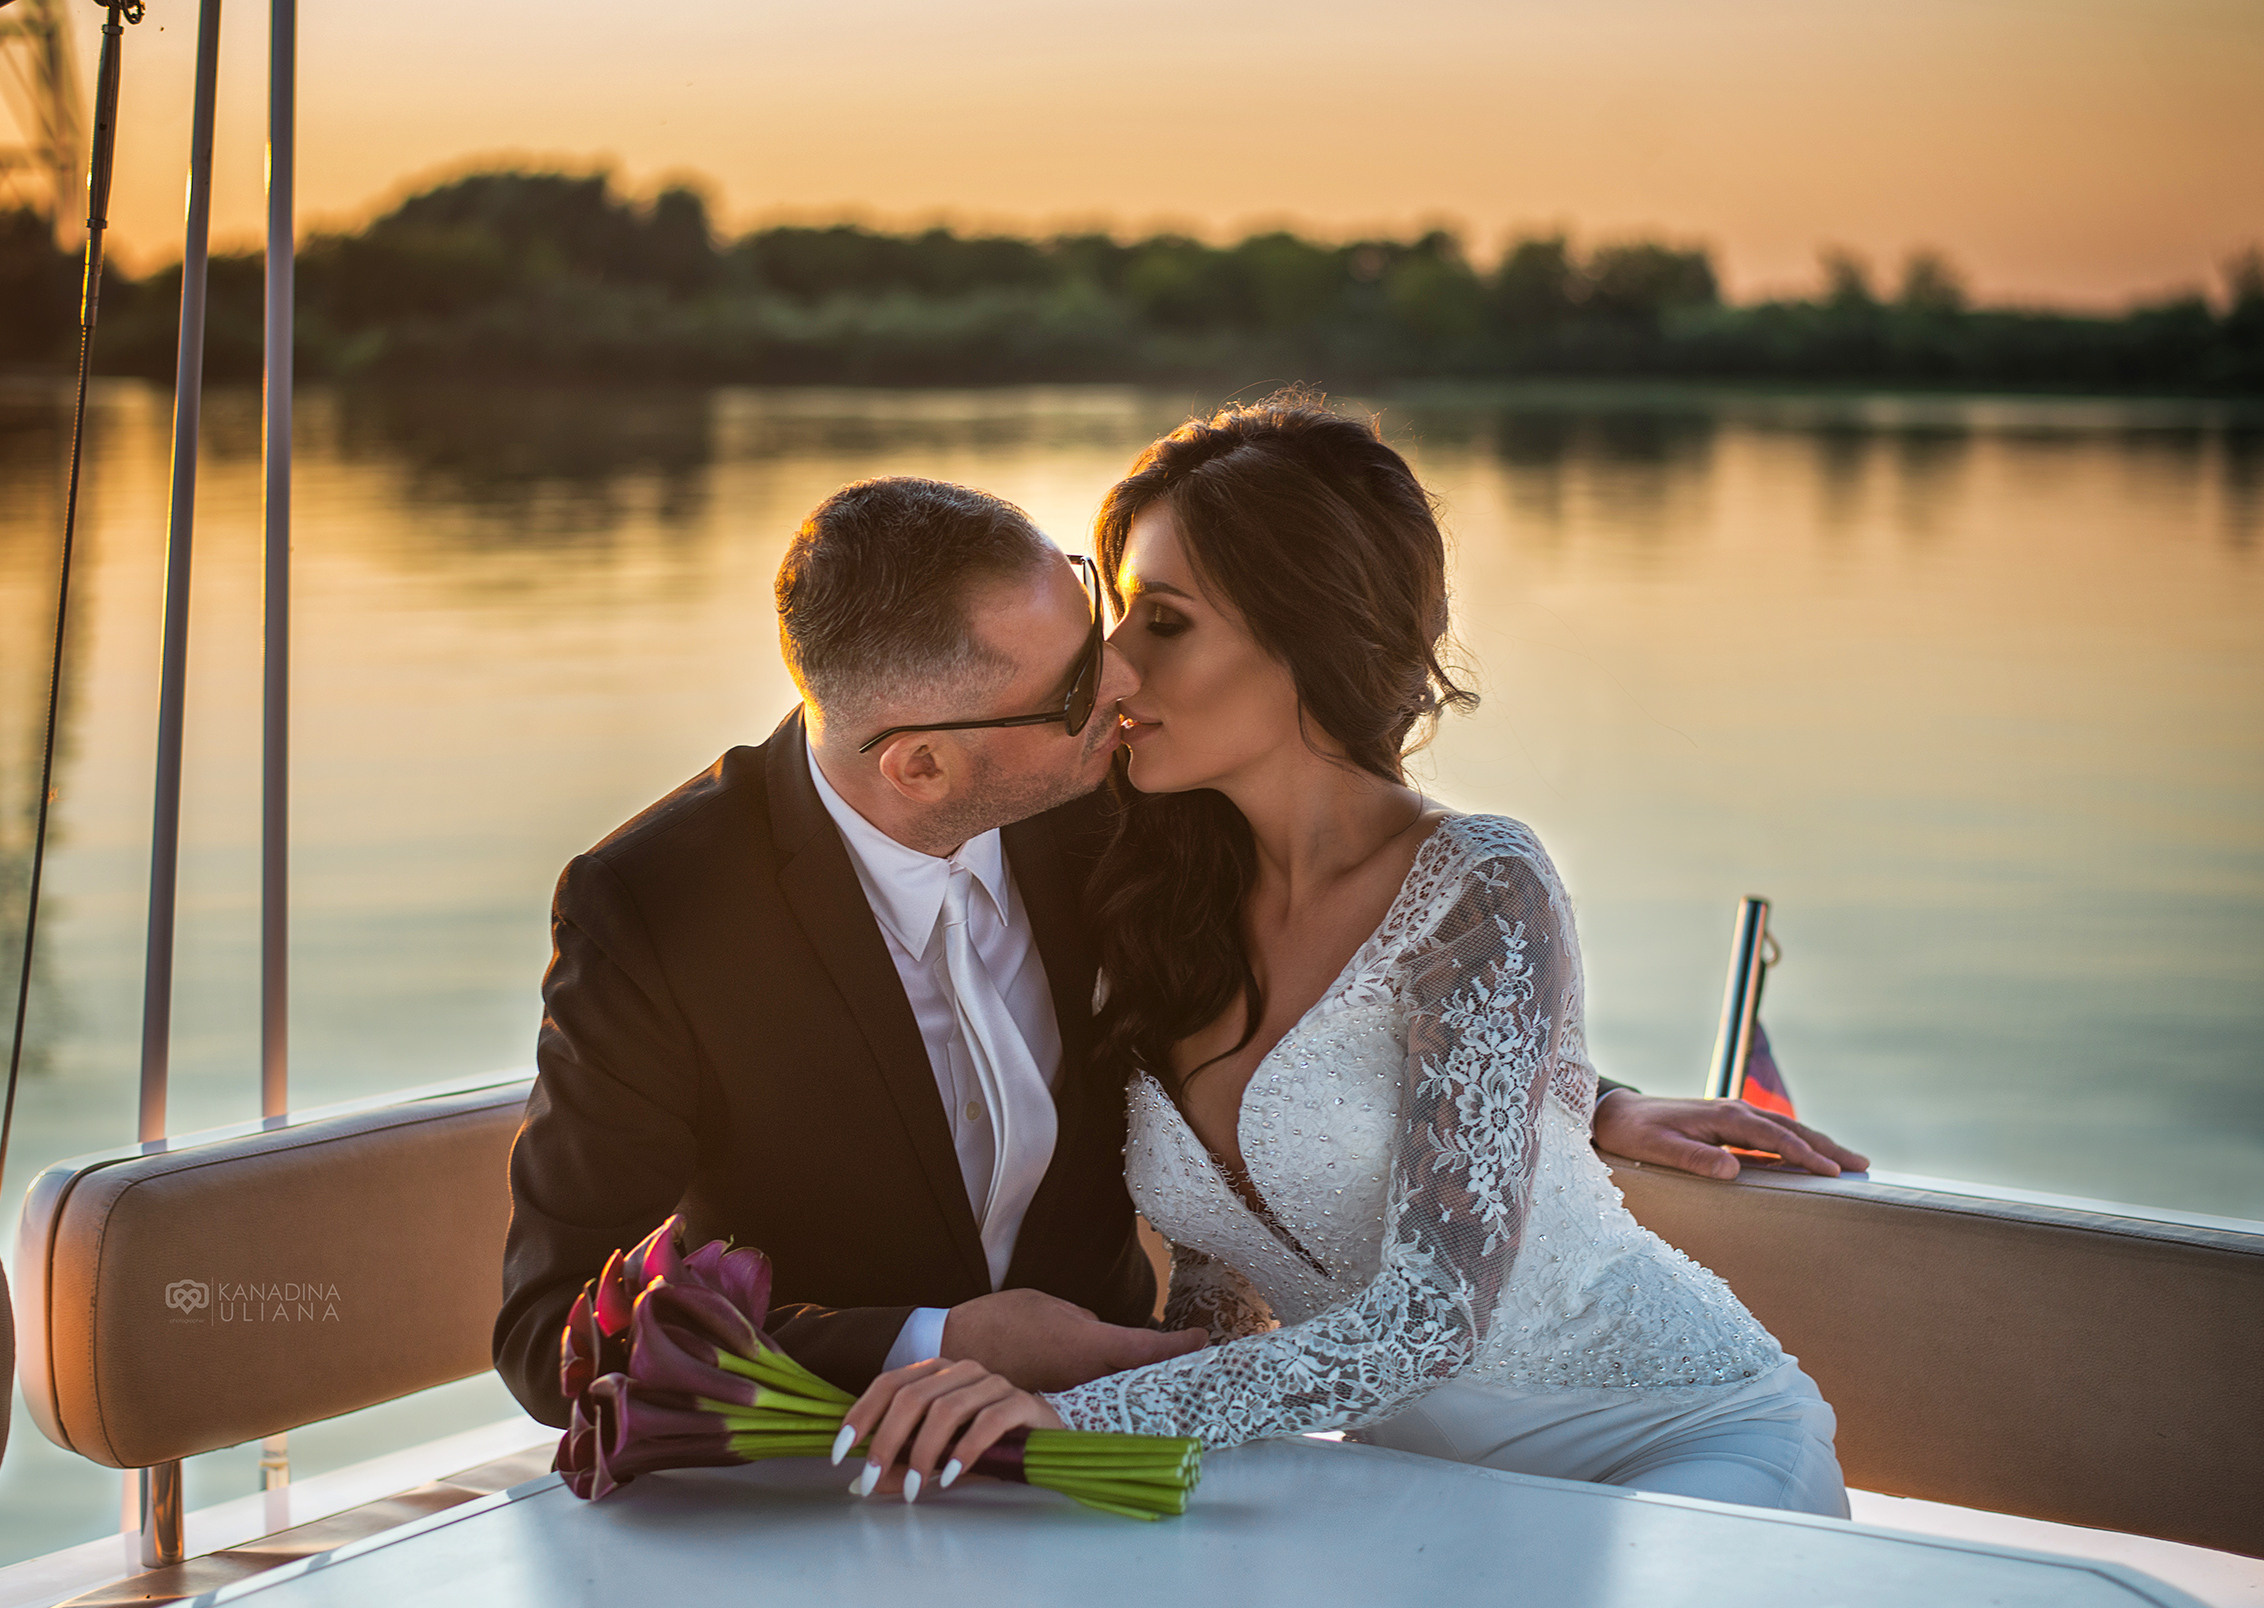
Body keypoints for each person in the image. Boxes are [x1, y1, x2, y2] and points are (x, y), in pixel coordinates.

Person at [495, 464, 1861, 1432]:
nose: (1122, 696)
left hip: (1143, 1455)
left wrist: (1579, 1093)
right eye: (1078, 688)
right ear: (921, 763)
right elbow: (556, 1334)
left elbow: (1343, 975)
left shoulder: (1118, 811)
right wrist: (936, 1346)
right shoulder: (657, 911)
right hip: (868, 1486)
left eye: (1107, 628)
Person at [836, 396, 1859, 1518]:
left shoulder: (1477, 883)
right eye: (1118, 617)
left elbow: (1431, 1315)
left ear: (1304, 633)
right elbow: (1224, 1275)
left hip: (1670, 1439)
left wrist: (1079, 1420)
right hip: (1406, 1471)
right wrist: (1079, 1395)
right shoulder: (1152, 895)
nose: (1110, 669)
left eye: (1162, 623)